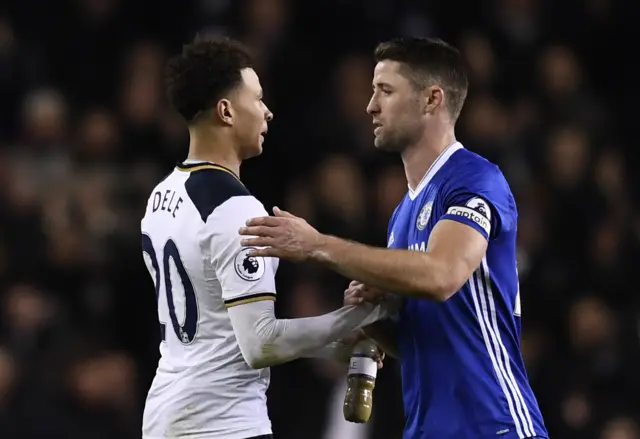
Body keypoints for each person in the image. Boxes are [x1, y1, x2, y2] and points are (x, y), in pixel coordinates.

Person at [239, 37, 549, 439]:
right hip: (426, 428)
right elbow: (425, 340)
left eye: (385, 90)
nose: (370, 105)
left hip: (493, 423)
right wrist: (378, 319)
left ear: (432, 100)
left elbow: (442, 274)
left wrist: (317, 245)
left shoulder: (474, 179)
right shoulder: (402, 215)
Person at [140, 37, 389, 439]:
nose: (267, 112)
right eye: (256, 99)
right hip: (222, 422)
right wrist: (359, 316)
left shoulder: (160, 196)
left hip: (166, 413)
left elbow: (224, 334)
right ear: (226, 111)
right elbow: (260, 345)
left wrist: (336, 343)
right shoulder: (236, 208)